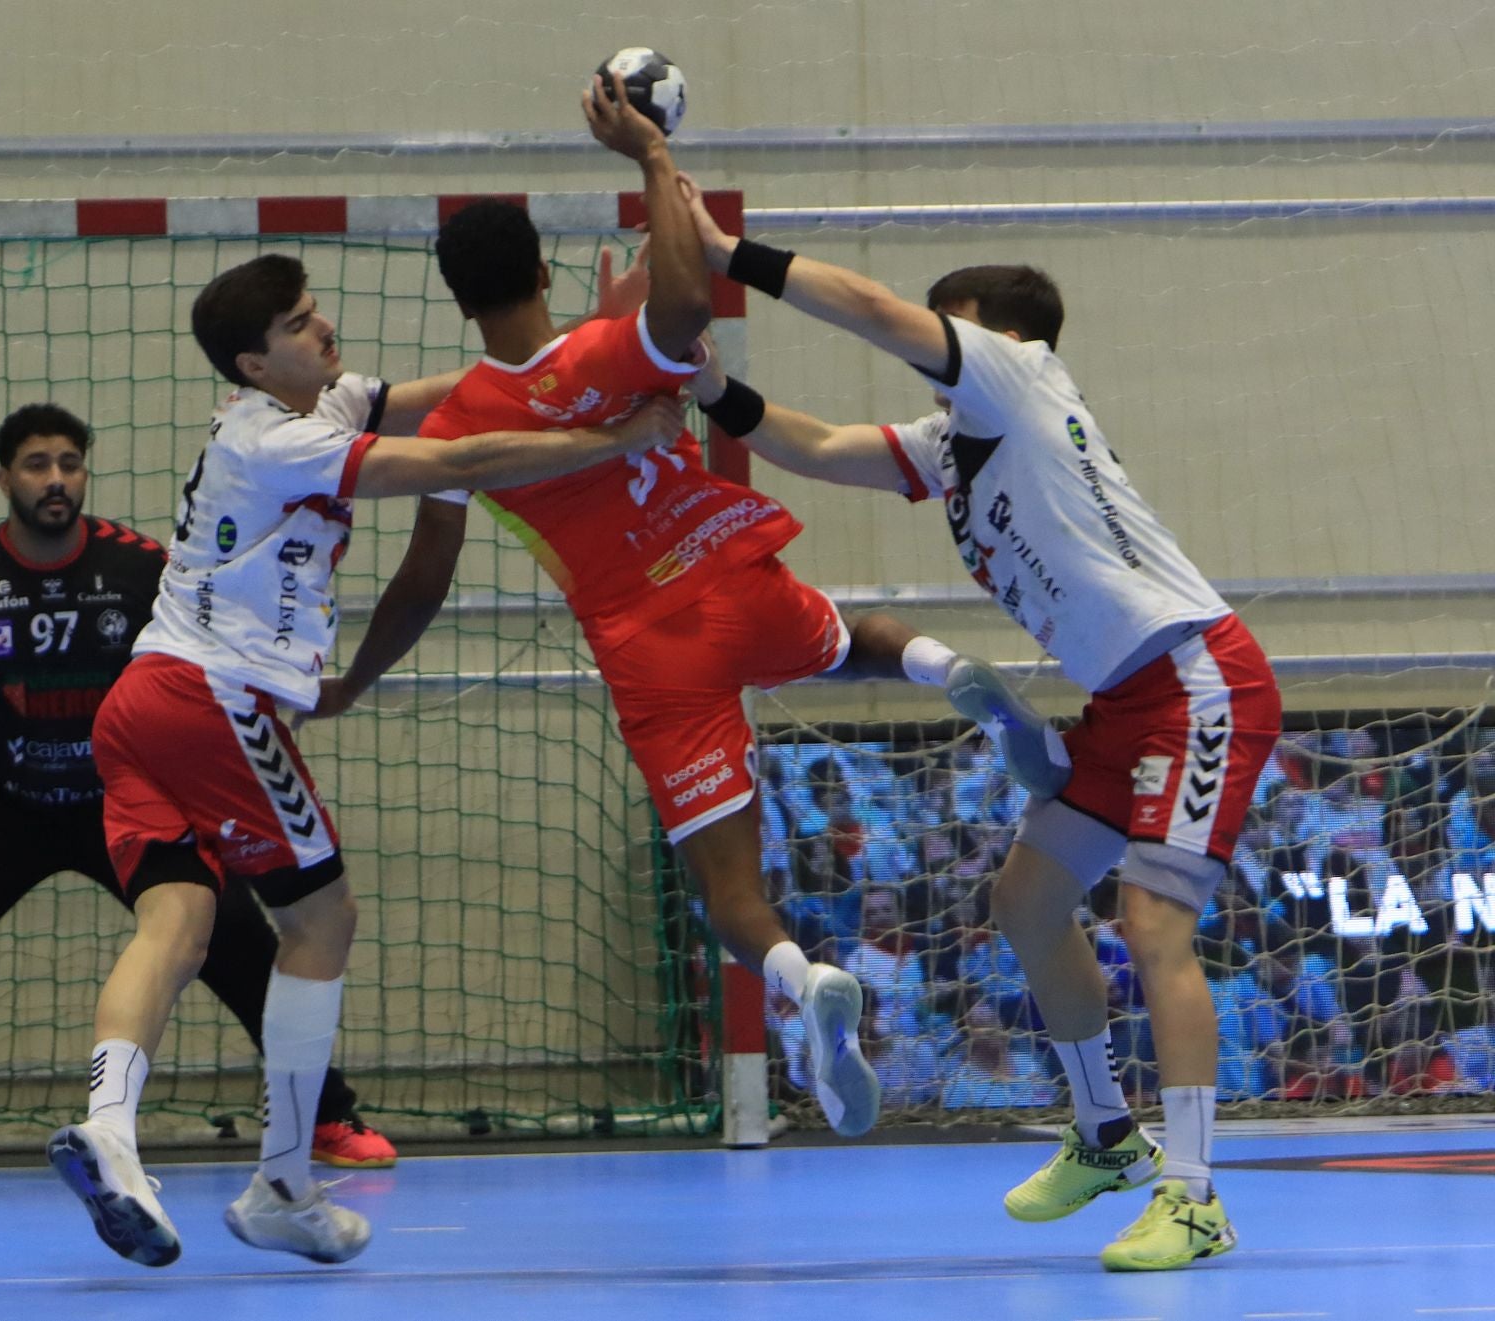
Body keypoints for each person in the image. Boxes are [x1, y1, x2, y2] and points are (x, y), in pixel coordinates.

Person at [311, 75, 1068, 1145]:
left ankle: (804, 984)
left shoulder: (456, 426)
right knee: (852, 643)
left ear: (460, 301)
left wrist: (355, 679)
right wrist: (653, 162)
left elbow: (424, 580)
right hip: (727, 571)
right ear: (541, 270)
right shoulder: (609, 350)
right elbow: (682, 310)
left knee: (726, 894)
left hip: (647, 649)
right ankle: (952, 673)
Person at [672, 181, 1284, 1270]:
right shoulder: (954, 441)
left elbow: (862, 302)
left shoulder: (1018, 373)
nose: (928, 344)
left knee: (1154, 926)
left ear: (995, 336)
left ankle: (1195, 1197)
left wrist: (729, 253)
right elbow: (812, 445)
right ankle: (1105, 1134)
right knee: (1028, 896)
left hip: (1197, 682)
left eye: (944, 323)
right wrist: (712, 382)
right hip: (1124, 702)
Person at [43, 252, 687, 1269]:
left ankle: (111, 1133)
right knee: (323, 915)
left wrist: (589, 350)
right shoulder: (279, 441)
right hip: (211, 696)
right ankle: (286, 1182)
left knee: (180, 919)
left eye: (315, 311)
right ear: (254, 364)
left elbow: (461, 399)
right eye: (300, 326)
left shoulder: (328, 399)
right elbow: (450, 461)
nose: (324, 328)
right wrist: (612, 434)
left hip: (140, 703)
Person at [0, 403, 395, 1180]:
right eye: (37, 465)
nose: (56, 479)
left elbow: (203, 648)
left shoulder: (143, 568)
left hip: (123, 792)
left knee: (236, 939)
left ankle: (327, 1114)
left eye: (69, 462)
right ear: (6, 478)